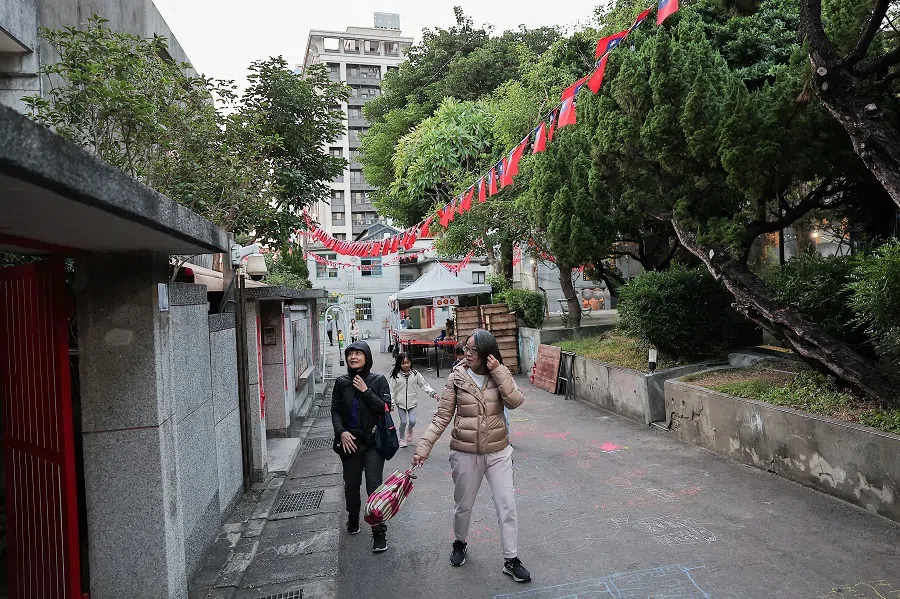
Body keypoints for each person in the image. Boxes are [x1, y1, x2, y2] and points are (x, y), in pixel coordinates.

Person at [412, 329, 531, 583]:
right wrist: (423, 448)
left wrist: (498, 371)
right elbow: (442, 416)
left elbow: (515, 401)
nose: (468, 354)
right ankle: (460, 542)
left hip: (498, 452)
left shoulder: (500, 373)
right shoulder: (457, 377)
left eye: (473, 350)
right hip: (465, 453)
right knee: (463, 505)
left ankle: (511, 559)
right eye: (466, 348)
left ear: (487, 352)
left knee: (506, 505)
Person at [332, 341, 392, 553]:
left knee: (374, 488)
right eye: (350, 354)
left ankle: (378, 531)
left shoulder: (378, 380)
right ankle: (352, 516)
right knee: (351, 485)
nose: (353, 357)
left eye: (358, 353)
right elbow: (336, 410)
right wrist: (341, 432)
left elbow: (385, 407)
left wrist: (366, 391)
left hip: (374, 443)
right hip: (350, 444)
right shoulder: (341, 382)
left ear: (367, 356)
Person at [390, 352, 437, 448]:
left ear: (411, 362)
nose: (406, 365)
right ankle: (401, 439)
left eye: (408, 362)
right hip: (400, 403)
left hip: (412, 402)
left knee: (412, 421)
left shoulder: (415, 374)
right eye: (403, 363)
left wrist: (433, 393)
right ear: (399, 364)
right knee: (403, 422)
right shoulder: (395, 375)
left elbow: (424, 385)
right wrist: (391, 403)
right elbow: (391, 390)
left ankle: (410, 430)